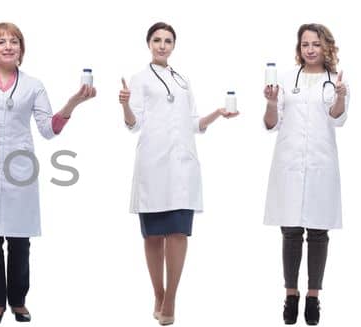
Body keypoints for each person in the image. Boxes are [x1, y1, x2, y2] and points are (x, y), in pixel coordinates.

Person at [0, 22, 95, 325]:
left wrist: (73, 103)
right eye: (1, 42)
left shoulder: (33, 85)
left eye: (14, 41)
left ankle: (19, 302)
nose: (8, 46)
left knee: (20, 239)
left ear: (22, 49)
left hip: (19, 167)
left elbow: (48, 129)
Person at [116, 22, 237, 326]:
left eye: (168, 41)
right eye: (157, 40)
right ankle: (158, 293)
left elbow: (194, 122)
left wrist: (217, 115)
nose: (162, 45)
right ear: (148, 43)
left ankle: (171, 299)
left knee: (179, 232)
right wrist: (125, 106)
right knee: (154, 235)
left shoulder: (183, 80)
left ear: (174, 45)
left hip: (182, 165)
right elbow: (133, 124)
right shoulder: (139, 79)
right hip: (153, 164)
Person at [262, 23, 348, 326]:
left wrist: (340, 96)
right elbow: (271, 124)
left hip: (321, 164)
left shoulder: (335, 80)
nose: (310, 49)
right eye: (304, 45)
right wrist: (271, 102)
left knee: (318, 232)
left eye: (315, 44)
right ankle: (291, 294)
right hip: (289, 163)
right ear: (299, 49)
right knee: (290, 231)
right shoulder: (286, 80)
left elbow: (338, 118)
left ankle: (313, 296)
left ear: (326, 47)